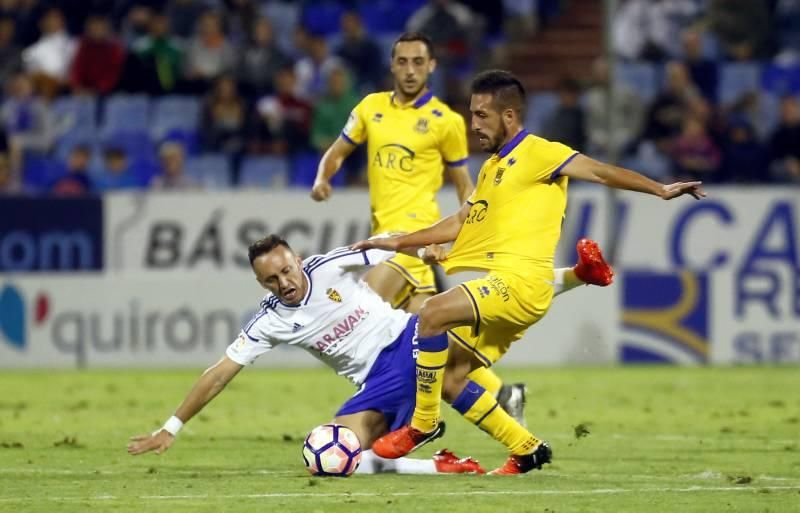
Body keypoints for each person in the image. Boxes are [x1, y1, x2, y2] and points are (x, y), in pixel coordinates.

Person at [353, 69, 705, 475]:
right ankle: (526, 449)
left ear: (508, 116)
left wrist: (659, 189)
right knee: (450, 377)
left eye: (482, 115)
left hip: (521, 285)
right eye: (471, 114)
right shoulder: (490, 169)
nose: (474, 124)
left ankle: (423, 424)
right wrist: (398, 242)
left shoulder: (540, 152)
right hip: (504, 287)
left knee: (430, 314)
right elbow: (460, 221)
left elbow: (601, 171)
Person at [127, 235, 486, 475]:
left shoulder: (330, 266)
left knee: (338, 454)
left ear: (298, 261)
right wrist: (171, 427)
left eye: (286, 270)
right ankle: (438, 465)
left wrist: (428, 251)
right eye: (271, 279)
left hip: (407, 341)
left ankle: (439, 419)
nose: (283, 283)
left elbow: (391, 242)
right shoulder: (270, 320)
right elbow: (220, 373)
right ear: (260, 283)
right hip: (373, 383)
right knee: (328, 459)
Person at [311, 32, 530, 426]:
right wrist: (322, 179)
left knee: (359, 310)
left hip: (410, 240)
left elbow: (464, 182)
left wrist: (470, 223)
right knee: (428, 340)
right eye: (403, 61)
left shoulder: (445, 121)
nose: (410, 70)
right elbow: (337, 151)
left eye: (418, 62)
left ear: (431, 66)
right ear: (392, 65)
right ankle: (502, 394)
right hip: (386, 238)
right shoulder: (371, 108)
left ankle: (380, 412)